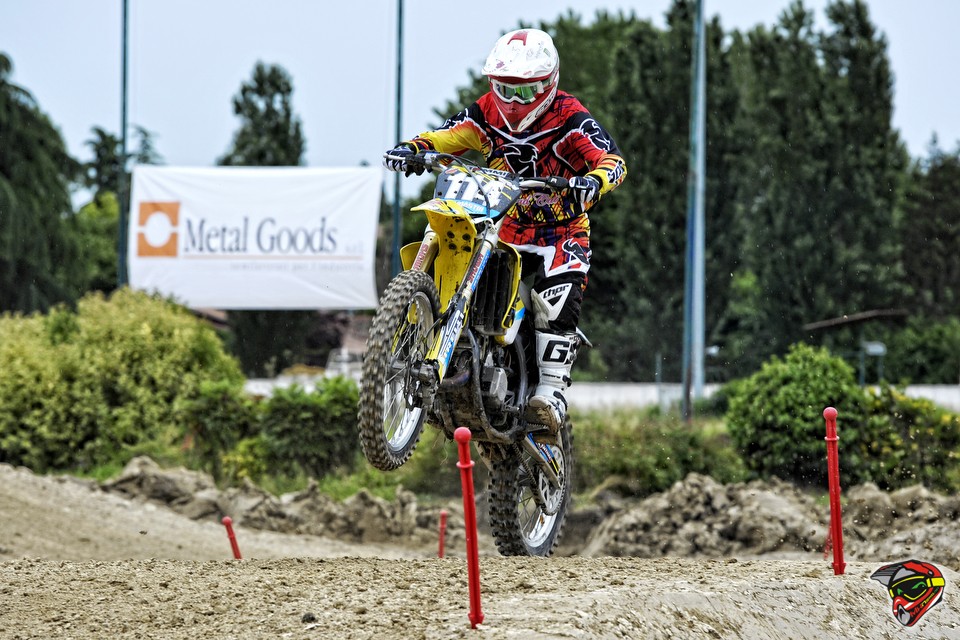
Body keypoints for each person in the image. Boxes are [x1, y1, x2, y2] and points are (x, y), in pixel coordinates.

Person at [383, 28, 627, 432]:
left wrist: (594, 181)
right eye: (504, 89)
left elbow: (612, 161)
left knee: (553, 302)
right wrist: (415, 147)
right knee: (460, 254)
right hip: (505, 224)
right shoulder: (486, 112)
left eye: (524, 92)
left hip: (560, 231)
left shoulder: (570, 116)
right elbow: (448, 135)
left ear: (548, 84)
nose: (513, 102)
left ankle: (551, 392)